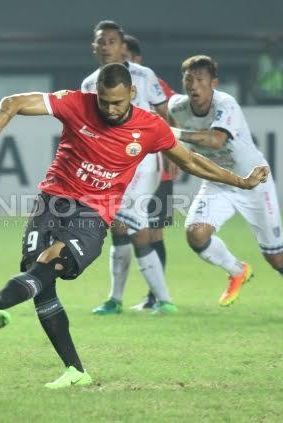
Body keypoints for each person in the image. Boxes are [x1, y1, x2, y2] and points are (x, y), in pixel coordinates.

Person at [0, 63, 269, 389]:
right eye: (105, 102)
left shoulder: (150, 126)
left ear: (132, 95)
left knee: (48, 264)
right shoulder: (76, 103)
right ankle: (75, 371)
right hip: (51, 200)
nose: (110, 110)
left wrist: (240, 181)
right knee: (39, 278)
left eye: (118, 103)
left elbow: (191, 160)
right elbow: (12, 102)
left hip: (93, 215)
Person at [170, 55, 283, 317]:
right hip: (218, 182)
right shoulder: (177, 108)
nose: (194, 86)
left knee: (275, 256)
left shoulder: (226, 104)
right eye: (188, 80)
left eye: (200, 80)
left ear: (213, 83)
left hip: (254, 182)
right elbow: (160, 127)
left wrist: (175, 134)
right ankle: (237, 271)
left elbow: (215, 141)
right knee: (196, 234)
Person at [81, 21, 175, 315]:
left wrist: (172, 152)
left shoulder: (144, 76)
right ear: (94, 48)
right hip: (111, 165)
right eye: (102, 41)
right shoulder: (88, 84)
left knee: (129, 220)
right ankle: (117, 299)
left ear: (123, 46)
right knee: (121, 227)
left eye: (112, 41)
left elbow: (164, 113)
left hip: (144, 159)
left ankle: (163, 299)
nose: (107, 46)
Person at [122, 33, 181, 311]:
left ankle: (155, 296)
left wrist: (172, 152)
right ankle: (149, 297)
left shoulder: (151, 81)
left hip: (157, 167)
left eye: (130, 57)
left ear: (137, 58)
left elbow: (171, 114)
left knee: (154, 232)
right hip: (129, 167)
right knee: (130, 229)